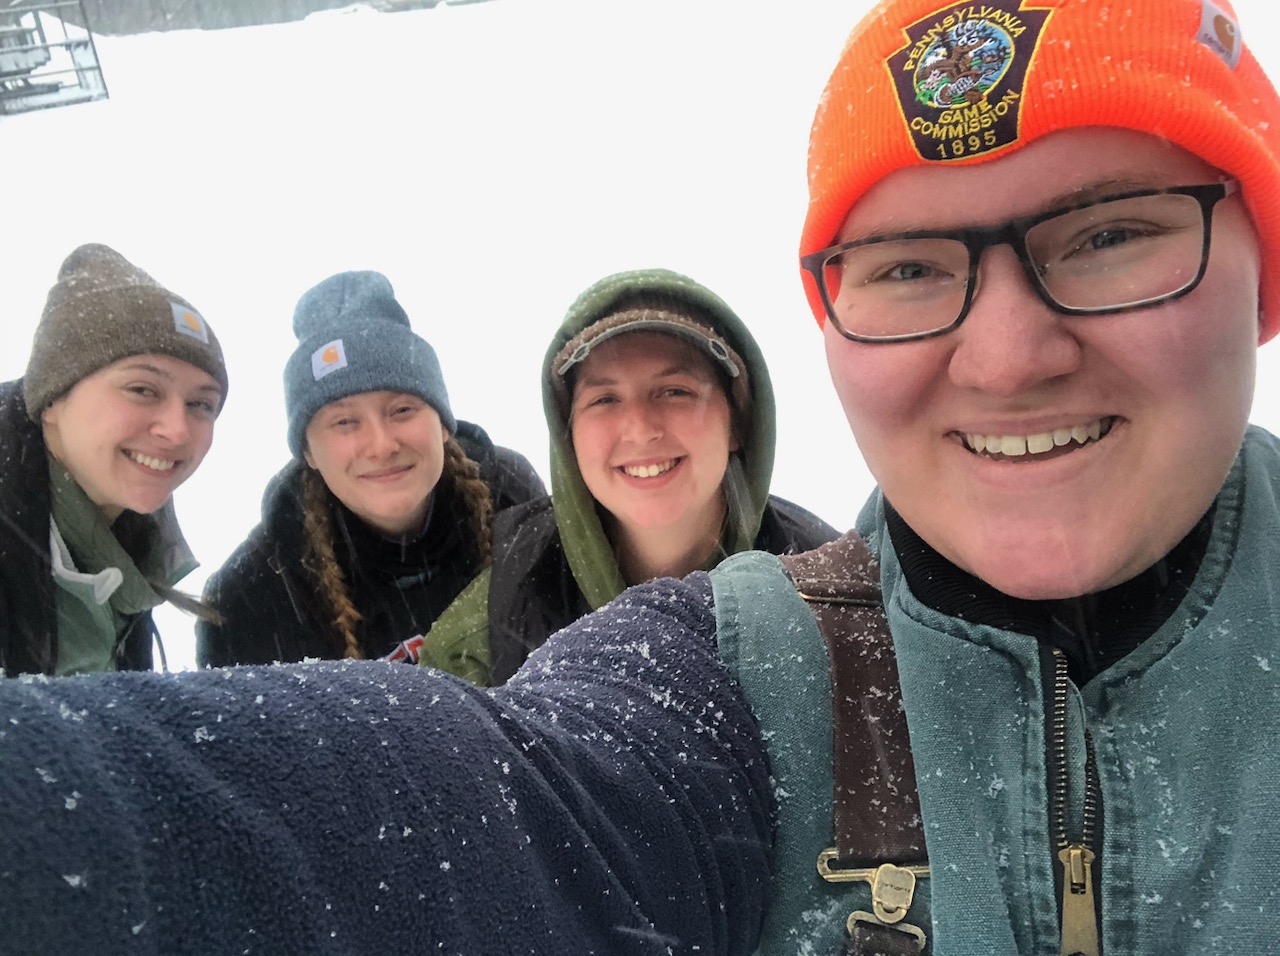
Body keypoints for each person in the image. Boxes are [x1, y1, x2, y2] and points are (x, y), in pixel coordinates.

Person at [1, 0, 1278, 956]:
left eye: (1109, 233)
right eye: (907, 266)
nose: (1002, 357)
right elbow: (485, 797)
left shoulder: (781, 544)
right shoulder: (744, 660)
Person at [424, 267, 838, 685]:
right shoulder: (498, 622)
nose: (640, 429)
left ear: (738, 423)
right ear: (570, 440)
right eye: (605, 399)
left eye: (675, 391)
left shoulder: (832, 592)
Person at [195, 270, 545, 671]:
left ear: (443, 424)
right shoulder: (249, 598)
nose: (381, 445)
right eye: (344, 422)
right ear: (307, 449)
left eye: (402, 410)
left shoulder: (511, 495)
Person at [0, 242, 227, 677]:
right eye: (143, 390)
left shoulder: (128, 542)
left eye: (201, 404)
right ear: (52, 399)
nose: (177, 430)